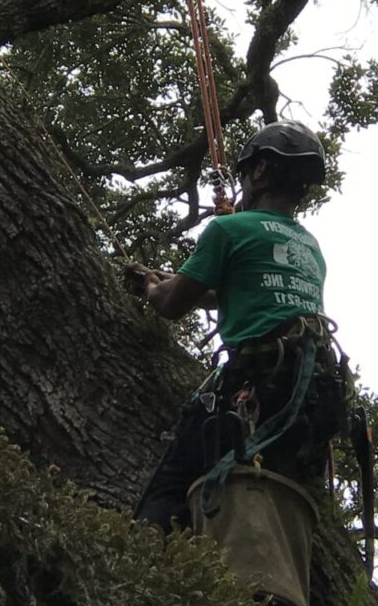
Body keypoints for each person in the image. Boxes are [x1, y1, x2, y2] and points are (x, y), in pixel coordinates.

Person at [127, 122, 347, 534]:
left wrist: (152, 288)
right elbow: (234, 289)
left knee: (169, 491)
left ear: (260, 171)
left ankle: (147, 561)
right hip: (308, 401)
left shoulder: (228, 230)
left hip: (254, 389)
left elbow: (174, 305)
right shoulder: (309, 246)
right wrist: (168, 277)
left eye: (246, 173)